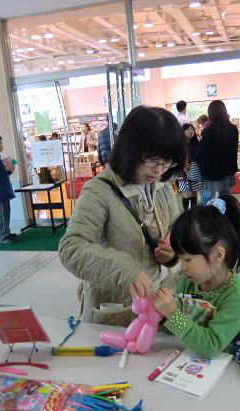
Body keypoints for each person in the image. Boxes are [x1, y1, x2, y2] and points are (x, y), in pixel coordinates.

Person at [59, 106, 186, 326]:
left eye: (167, 163)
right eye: (152, 161)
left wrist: (171, 252)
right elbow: (71, 248)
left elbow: (175, 231)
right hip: (114, 308)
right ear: (131, 149)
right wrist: (125, 271)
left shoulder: (162, 188)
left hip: (154, 304)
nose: (159, 170)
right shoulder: (98, 190)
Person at [153, 195, 240, 358]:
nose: (182, 267)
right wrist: (158, 315)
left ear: (217, 255)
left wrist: (172, 314)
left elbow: (211, 346)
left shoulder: (236, 296)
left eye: (188, 259)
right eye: (180, 258)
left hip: (224, 371)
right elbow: (176, 328)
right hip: (187, 361)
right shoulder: (189, 281)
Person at [197, 100, 239, 206]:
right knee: (225, 198)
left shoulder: (208, 131)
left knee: (206, 198)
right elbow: (234, 151)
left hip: (211, 172)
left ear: (210, 113)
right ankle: (225, 219)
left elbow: (204, 155)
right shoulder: (233, 129)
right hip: (228, 170)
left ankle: (206, 220)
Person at [176, 123, 201, 211]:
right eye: (188, 129)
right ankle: (186, 214)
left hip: (194, 172)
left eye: (192, 129)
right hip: (182, 172)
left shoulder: (197, 144)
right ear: (182, 132)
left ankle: (193, 214)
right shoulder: (178, 145)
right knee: (185, 194)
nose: (191, 131)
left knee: (194, 193)